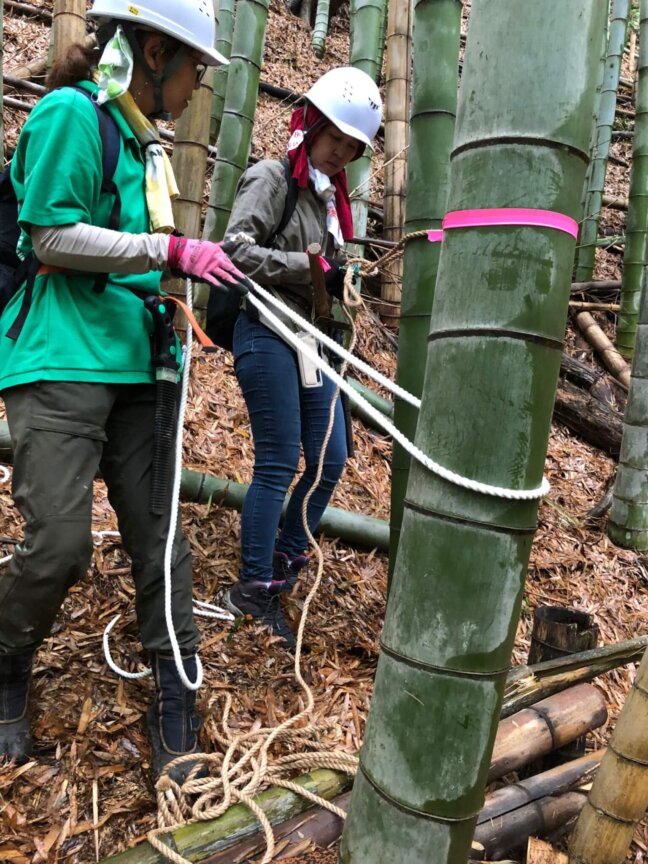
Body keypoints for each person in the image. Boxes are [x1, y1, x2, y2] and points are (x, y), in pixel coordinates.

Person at [0, 0, 244, 782]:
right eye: (194, 69)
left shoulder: (145, 145)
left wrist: (173, 277)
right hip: (62, 357)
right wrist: (166, 248)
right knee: (61, 542)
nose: (197, 87)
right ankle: (6, 662)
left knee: (161, 535)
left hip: (142, 366)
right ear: (152, 52)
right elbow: (53, 237)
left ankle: (177, 697)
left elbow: (142, 260)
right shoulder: (74, 116)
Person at [221, 67, 382, 648]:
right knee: (280, 459)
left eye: (353, 146)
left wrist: (342, 283)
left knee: (331, 458)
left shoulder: (329, 203)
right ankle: (252, 587)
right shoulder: (271, 177)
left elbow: (328, 277)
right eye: (336, 136)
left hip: (312, 343)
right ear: (312, 123)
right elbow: (232, 252)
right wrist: (310, 270)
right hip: (265, 331)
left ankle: (287, 560)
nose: (342, 151)